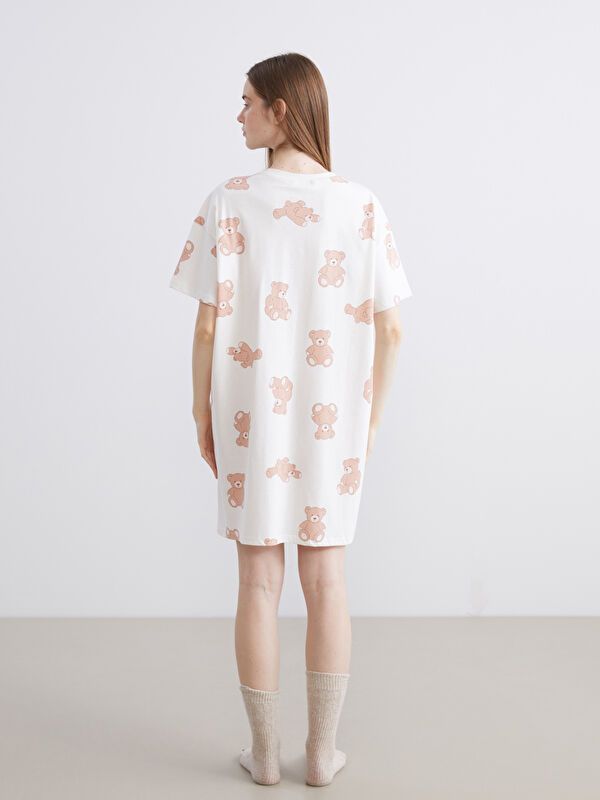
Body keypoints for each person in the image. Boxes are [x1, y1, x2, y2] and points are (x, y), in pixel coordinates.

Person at [169, 53, 413, 786]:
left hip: (250, 420)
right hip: (335, 422)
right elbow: (392, 330)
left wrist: (202, 413)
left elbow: (207, 327)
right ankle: (323, 754)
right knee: (328, 580)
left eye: (247, 101)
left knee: (256, 583)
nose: (238, 115)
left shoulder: (229, 202)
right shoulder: (361, 205)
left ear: (280, 110)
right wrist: (370, 422)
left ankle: (266, 753)